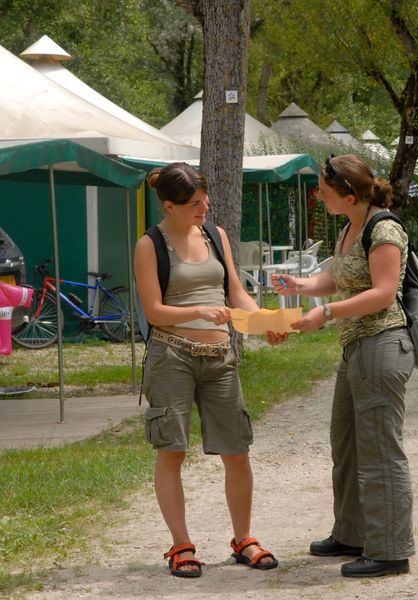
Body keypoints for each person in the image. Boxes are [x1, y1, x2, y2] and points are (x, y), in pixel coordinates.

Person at [134, 163, 286, 578]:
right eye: (195, 204)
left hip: (220, 359)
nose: (204, 208)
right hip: (172, 358)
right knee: (172, 451)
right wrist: (199, 310)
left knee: (237, 449)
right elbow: (154, 312)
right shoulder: (150, 245)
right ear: (170, 205)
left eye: (206, 200)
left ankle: (244, 540)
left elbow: (235, 292)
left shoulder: (215, 235)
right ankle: (181, 546)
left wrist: (265, 321)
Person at [271, 154, 415, 578]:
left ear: (349, 195)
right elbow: (339, 278)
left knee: (380, 450)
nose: (318, 196)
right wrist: (301, 286)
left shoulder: (384, 229)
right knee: (347, 444)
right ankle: (352, 533)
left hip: (381, 345)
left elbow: (383, 293)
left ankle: (389, 550)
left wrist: (327, 313)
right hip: (356, 347)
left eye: (323, 191)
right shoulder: (352, 226)